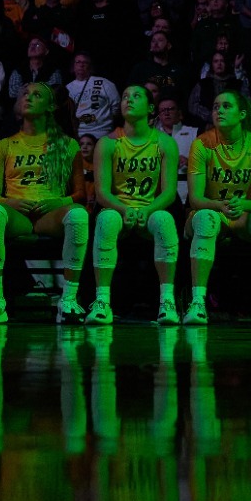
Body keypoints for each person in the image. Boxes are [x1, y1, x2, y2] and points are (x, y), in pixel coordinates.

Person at [0, 83, 92, 324]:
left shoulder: (67, 144)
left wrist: (57, 202)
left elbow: (80, 194)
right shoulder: (3, 145)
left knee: (79, 215)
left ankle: (68, 300)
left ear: (50, 106)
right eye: (25, 94)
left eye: (37, 94)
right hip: (18, 215)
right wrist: (11, 203)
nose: (28, 97)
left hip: (50, 215)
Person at [184, 88, 251, 324]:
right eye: (216, 106)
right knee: (205, 220)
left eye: (226, 106)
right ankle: (197, 303)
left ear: (241, 114)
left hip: (243, 214)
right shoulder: (201, 144)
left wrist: (244, 205)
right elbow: (195, 198)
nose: (219, 110)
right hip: (210, 212)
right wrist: (220, 205)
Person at [89, 86, 182, 325]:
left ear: (151, 108)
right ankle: (102, 302)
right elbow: (102, 193)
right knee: (106, 219)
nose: (129, 99)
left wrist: (146, 210)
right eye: (125, 96)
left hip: (150, 211)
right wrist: (125, 210)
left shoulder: (164, 143)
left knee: (165, 220)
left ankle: (167, 302)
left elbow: (170, 192)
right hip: (119, 210)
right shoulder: (107, 143)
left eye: (136, 96)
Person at [66, 52, 121, 139]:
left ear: (90, 66)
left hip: (103, 134)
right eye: (78, 62)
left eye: (85, 62)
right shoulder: (67, 88)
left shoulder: (105, 83)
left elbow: (116, 107)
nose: (81, 65)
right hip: (78, 135)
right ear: (73, 66)